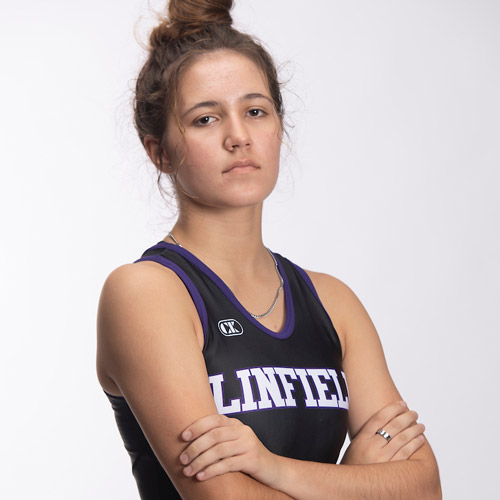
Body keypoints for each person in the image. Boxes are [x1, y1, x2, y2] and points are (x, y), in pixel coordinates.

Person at [96, 0, 441, 498]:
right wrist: (360, 480)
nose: (239, 137)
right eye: (205, 120)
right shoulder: (146, 293)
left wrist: (272, 468)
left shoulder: (332, 302)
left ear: (279, 128)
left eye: (255, 111)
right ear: (161, 151)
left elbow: (425, 486)